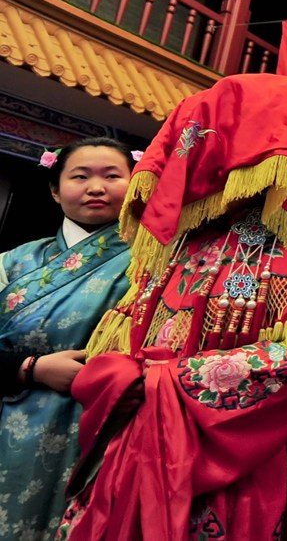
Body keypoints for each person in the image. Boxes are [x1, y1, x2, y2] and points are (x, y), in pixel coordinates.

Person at [55, 74, 287, 540]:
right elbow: (117, 335)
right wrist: (111, 374)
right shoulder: (176, 240)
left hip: (223, 463)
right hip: (129, 447)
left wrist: (165, 382)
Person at [0, 138, 133, 539]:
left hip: (108, 431)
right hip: (11, 419)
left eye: (112, 176)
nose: (96, 187)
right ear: (55, 190)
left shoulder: (158, 261)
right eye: (80, 176)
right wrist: (31, 368)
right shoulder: (11, 262)